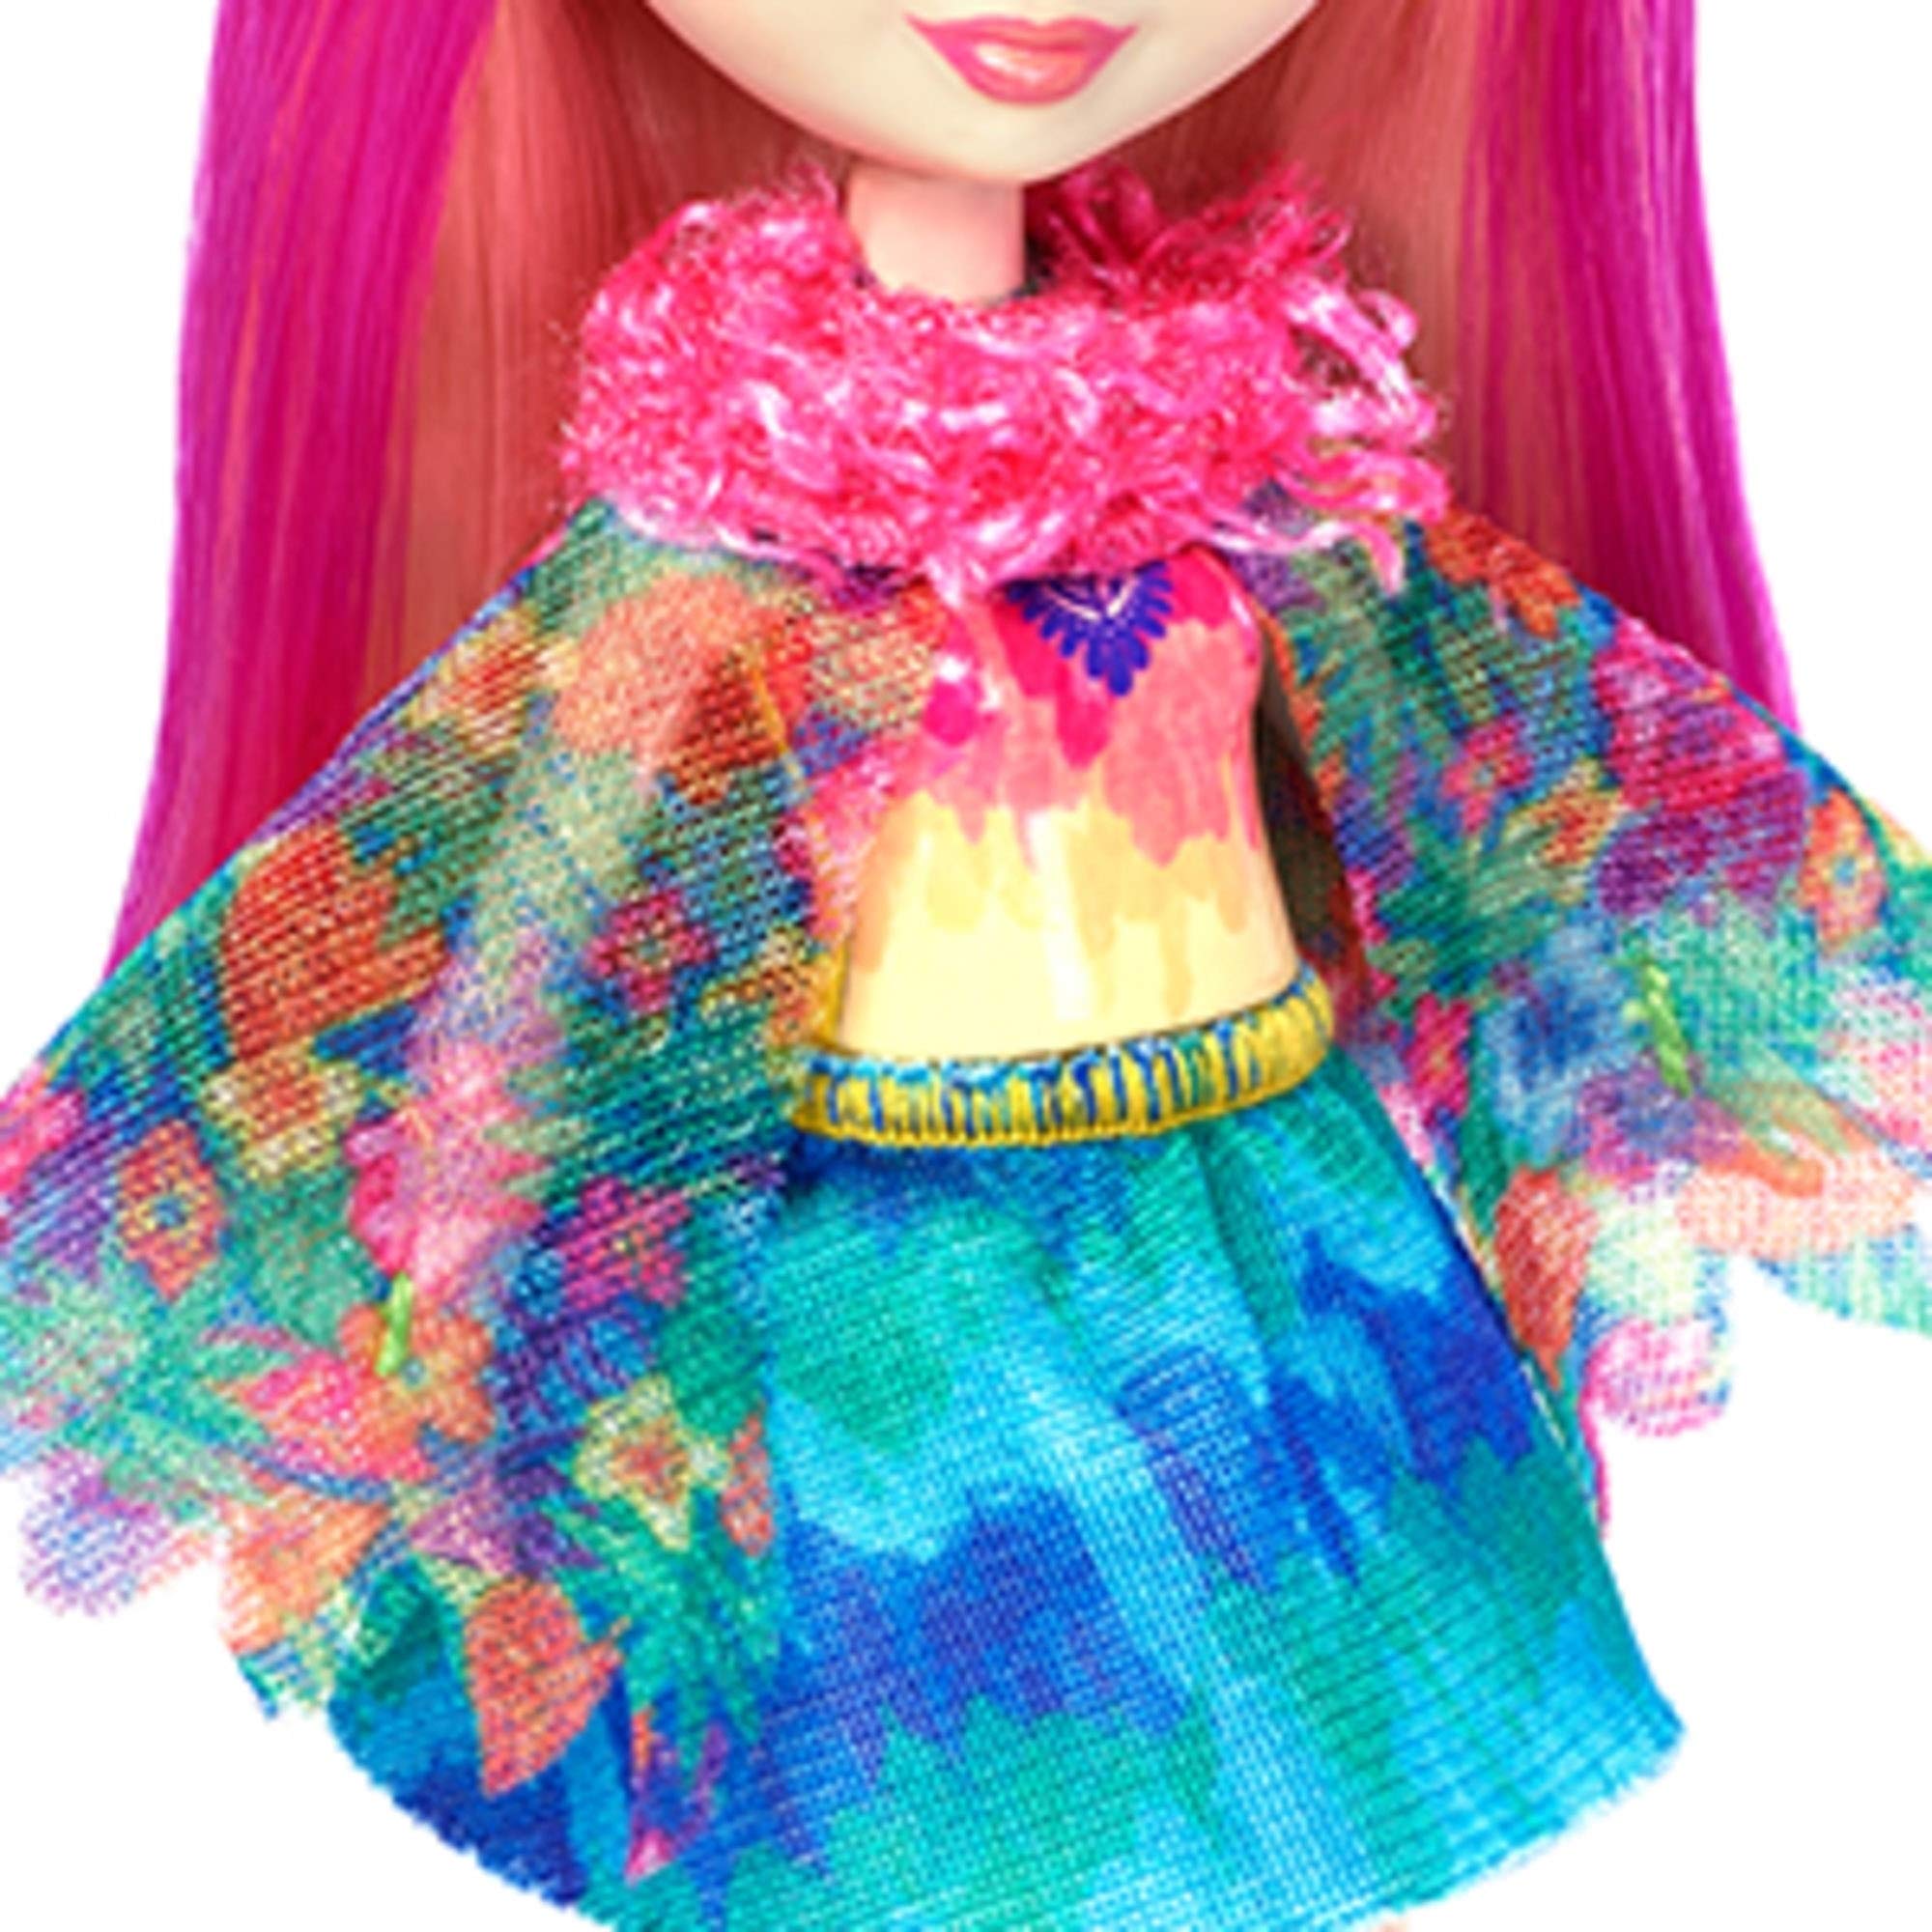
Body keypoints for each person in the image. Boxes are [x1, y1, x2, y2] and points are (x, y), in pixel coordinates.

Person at [1, 4, 1928, 1927]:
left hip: (1253, 1218)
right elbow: (550, 879)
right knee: (917, 1778)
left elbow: (1478, 768)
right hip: (872, 1286)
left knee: (1278, 1729)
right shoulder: (717, 550)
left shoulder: (1256, 488)